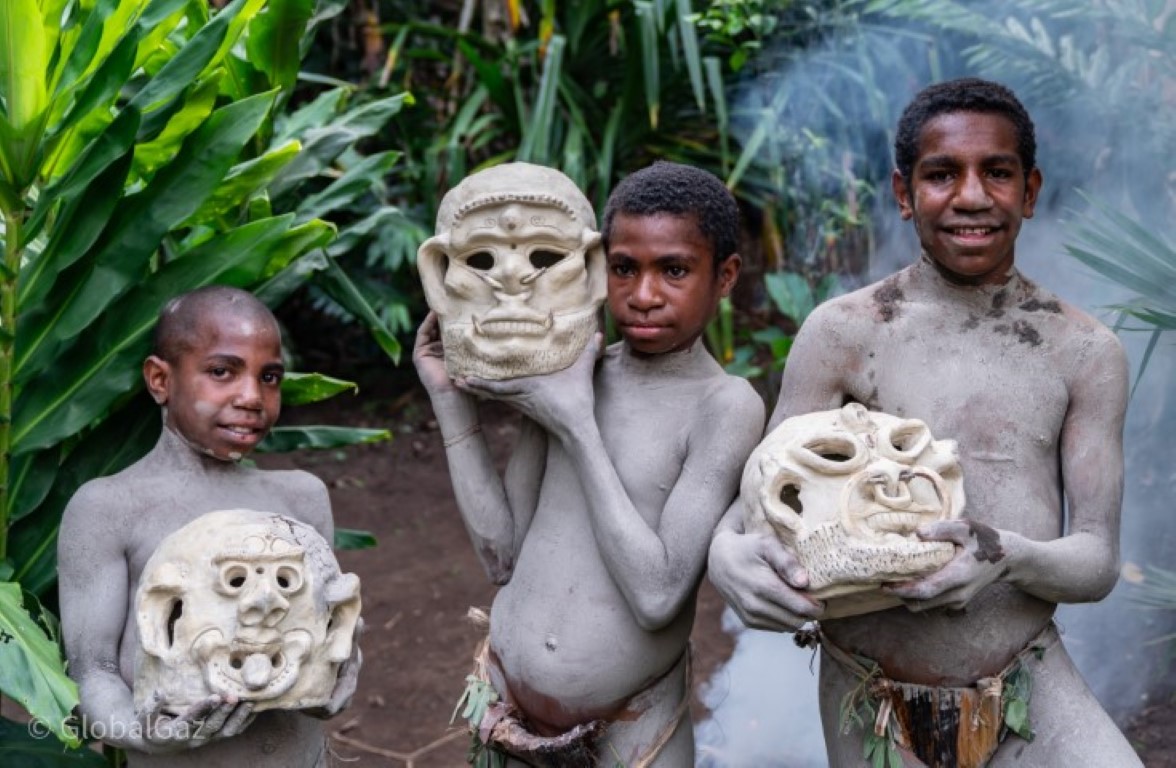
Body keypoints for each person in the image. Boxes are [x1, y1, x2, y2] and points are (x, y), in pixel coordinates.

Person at [707, 77, 1141, 767]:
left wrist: (1007, 558)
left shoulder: (1083, 352)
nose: (972, 196)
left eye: (996, 173)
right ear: (904, 194)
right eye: (942, 174)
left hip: (1026, 678)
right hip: (873, 695)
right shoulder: (845, 332)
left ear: (1029, 191)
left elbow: (1094, 561)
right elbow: (760, 501)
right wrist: (725, 555)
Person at [414, 161, 765, 766]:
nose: (644, 294)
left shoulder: (724, 405)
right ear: (600, 269)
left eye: (674, 270)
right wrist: (448, 400)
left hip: (632, 732)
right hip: (504, 709)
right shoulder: (574, 372)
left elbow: (657, 597)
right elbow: (502, 556)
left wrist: (575, 423)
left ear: (725, 275)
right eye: (625, 268)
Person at [58, 286, 358, 767]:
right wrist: (145, 734)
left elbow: (325, 636)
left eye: (270, 377)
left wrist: (342, 671)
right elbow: (93, 672)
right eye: (222, 371)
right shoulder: (110, 508)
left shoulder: (301, 498)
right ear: (160, 379)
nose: (251, 397)